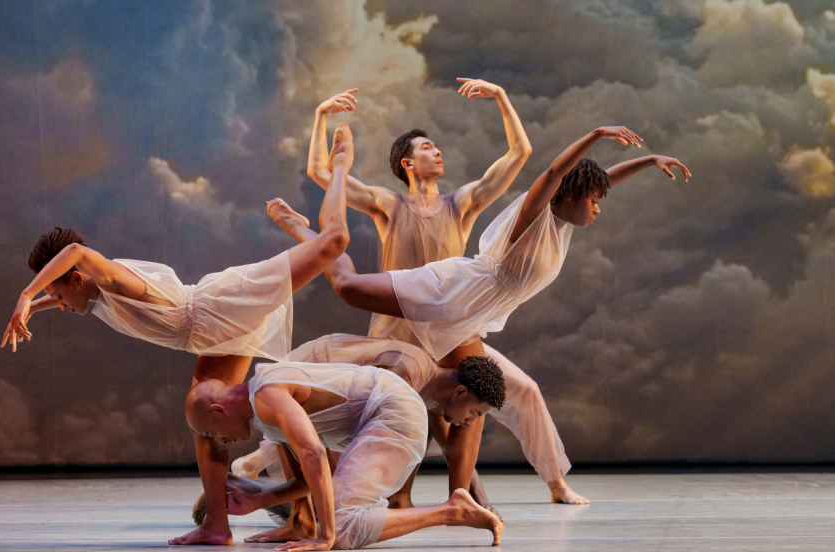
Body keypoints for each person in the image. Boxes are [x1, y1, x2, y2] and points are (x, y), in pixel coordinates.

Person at [275, 124, 691, 506]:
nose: (598, 207)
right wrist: (596, 134)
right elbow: (552, 173)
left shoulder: (562, 223)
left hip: (471, 316)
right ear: (568, 194)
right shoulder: (534, 215)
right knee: (348, 287)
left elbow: (597, 179)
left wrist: (648, 162)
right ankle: (303, 230)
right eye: (594, 200)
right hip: (454, 291)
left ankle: (467, 494)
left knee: (485, 394)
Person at [1, 124, 358, 546]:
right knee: (205, 422)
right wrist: (37, 308)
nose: (61, 304)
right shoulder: (95, 295)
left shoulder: (116, 282)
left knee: (335, 240)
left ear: (77, 279)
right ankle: (218, 526)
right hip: (210, 336)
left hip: (222, 305)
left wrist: (26, 295)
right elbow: (72, 284)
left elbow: (78, 253)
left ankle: (339, 167)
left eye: (59, 294)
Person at [306, 80, 587, 506]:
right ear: (408, 163)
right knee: (404, 408)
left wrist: (502, 97)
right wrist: (321, 116)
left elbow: (518, 156)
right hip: (399, 331)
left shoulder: (462, 204)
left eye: (437, 147)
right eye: (427, 148)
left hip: (453, 331)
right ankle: (415, 494)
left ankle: (554, 482)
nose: (437, 152)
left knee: (523, 390)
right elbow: (323, 174)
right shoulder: (388, 204)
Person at [186, 359, 505, 550]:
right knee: (336, 519)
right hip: (385, 412)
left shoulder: (265, 393)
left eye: (214, 433)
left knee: (339, 528)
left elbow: (314, 454)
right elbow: (309, 479)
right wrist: (258, 500)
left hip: (394, 410)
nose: (221, 441)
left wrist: (325, 536)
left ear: (218, 410)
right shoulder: (264, 415)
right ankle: (452, 509)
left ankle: (452, 510)